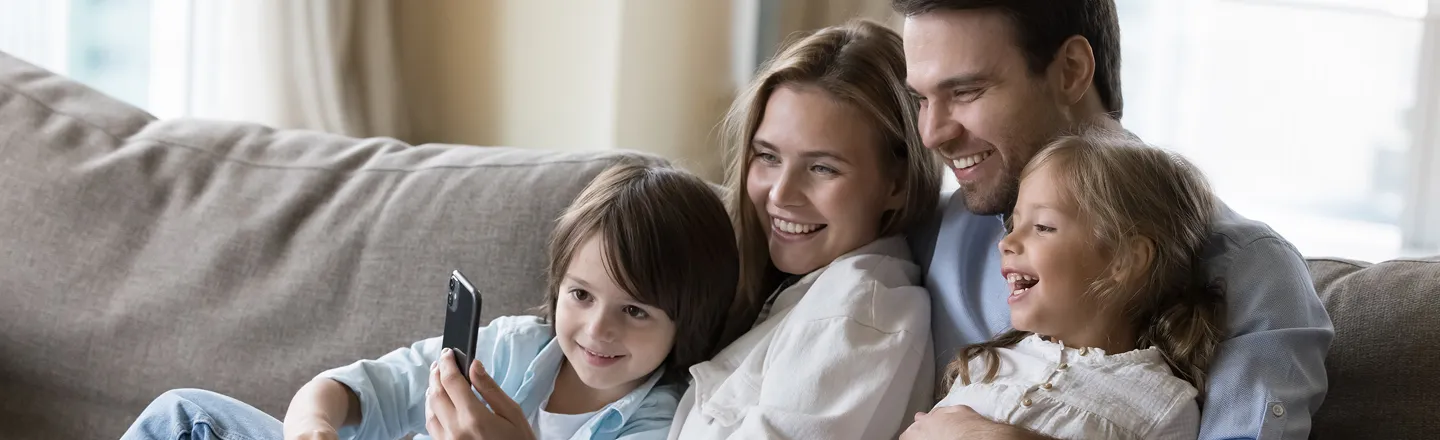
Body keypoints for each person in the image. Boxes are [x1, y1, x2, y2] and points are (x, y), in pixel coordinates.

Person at [892, 1, 1334, 439]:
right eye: (921, 99)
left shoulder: (1252, 271)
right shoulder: (937, 226)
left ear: (1071, 70)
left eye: (966, 91)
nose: (932, 134)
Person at [120, 162, 741, 440]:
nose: (596, 329)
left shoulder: (663, 421)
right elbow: (357, 389)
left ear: (686, 319)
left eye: (635, 311)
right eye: (581, 295)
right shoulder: (509, 348)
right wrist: (312, 426)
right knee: (186, 415)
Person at [666, 19, 943, 440]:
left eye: (821, 167)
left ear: (897, 184)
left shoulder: (858, 314)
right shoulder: (793, 293)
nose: (781, 194)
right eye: (768, 157)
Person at [906, 129, 1226, 439]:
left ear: (1124, 259)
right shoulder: (985, 365)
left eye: (1043, 227)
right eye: (1013, 224)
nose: (1008, 242)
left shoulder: (1163, 406)